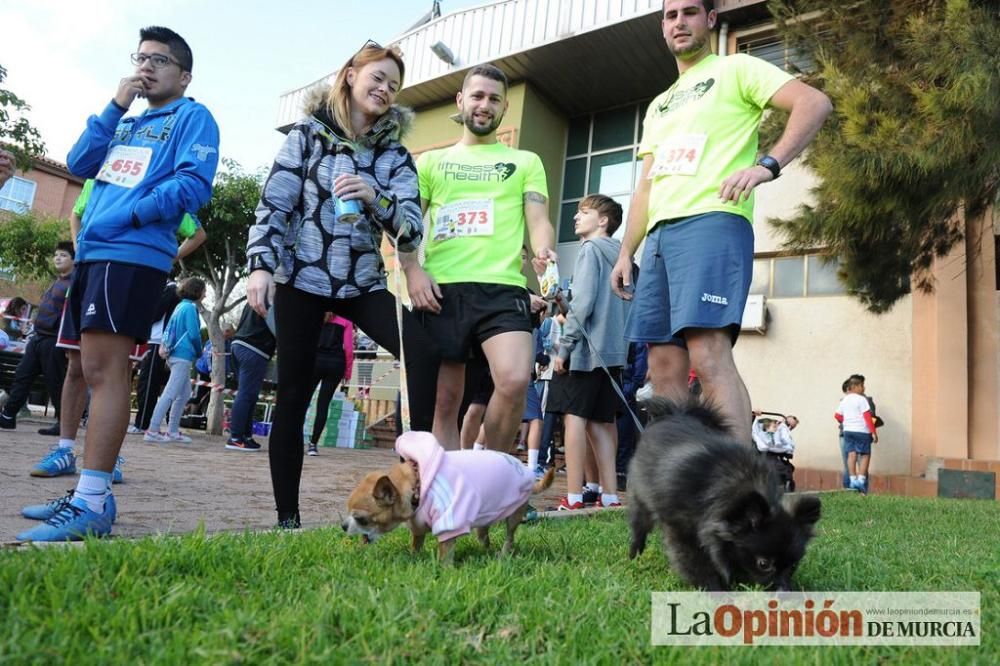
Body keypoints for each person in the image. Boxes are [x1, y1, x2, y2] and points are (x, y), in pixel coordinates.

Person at [17, 26, 219, 542]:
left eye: (161, 60)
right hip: (96, 257)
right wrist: (114, 105)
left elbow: (194, 185)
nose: (147, 67)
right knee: (88, 368)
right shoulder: (127, 121)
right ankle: (88, 491)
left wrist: (126, 217)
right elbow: (82, 163)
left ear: (184, 74)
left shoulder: (192, 116)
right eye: (142, 58)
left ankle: (92, 500)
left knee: (106, 374)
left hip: (129, 256)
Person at [610, 0, 832, 444]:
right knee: (663, 367)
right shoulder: (659, 105)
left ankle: (742, 491)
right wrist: (625, 252)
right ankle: (681, 486)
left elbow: (813, 102)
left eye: (690, 12)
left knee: (708, 355)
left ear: (710, 19)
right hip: (657, 239)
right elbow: (647, 186)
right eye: (671, 15)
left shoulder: (736, 69)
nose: (679, 22)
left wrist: (768, 164)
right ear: (663, 26)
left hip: (712, 222)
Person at [245, 41, 439, 529]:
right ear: (350, 76)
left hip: (361, 280)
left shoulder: (395, 154)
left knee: (421, 349)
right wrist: (261, 265)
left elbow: (412, 228)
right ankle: (287, 518)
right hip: (302, 275)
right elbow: (276, 200)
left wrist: (375, 197)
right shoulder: (307, 135)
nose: (385, 89)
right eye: (377, 77)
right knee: (292, 390)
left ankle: (412, 479)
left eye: (394, 85)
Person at [404, 63, 557, 455]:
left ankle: (494, 478)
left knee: (514, 380)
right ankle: (452, 495)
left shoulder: (525, 162)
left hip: (503, 289)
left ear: (505, 107)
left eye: (493, 99)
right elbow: (408, 226)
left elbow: (539, 220)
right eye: (477, 96)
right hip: (441, 290)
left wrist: (543, 252)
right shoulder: (431, 163)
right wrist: (413, 272)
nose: (484, 105)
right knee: (445, 402)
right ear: (461, 101)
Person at [549, 195, 630, 510]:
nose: (575, 218)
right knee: (602, 423)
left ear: (603, 220)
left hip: (586, 351)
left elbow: (582, 304)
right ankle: (609, 496)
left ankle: (573, 497)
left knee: (575, 420)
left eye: (583, 212)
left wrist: (563, 347)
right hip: (613, 353)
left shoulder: (590, 250)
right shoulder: (624, 256)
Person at [0, 243, 74, 441]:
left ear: (74, 260)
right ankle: (8, 416)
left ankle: (63, 423)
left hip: (54, 341)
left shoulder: (74, 284)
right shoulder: (55, 282)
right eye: (56, 255)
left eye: (64, 255)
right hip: (37, 338)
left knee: (55, 382)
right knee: (22, 375)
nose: (58, 258)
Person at [144, 277, 205, 442]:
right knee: (171, 393)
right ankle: (153, 429)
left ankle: (171, 431)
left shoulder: (180, 306)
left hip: (172, 353)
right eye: (204, 291)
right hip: (183, 355)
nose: (204, 295)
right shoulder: (191, 309)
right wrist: (200, 352)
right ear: (198, 292)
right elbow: (194, 334)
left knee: (183, 394)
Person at [226, 303, 276, 452]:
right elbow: (277, 328)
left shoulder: (255, 295)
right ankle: (235, 437)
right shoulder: (273, 298)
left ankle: (245, 436)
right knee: (246, 394)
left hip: (240, 344)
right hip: (255, 349)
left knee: (250, 394)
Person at [306, 314, 354, 455]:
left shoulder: (316, 315)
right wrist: (348, 372)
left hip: (315, 361)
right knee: (323, 404)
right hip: (336, 363)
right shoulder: (346, 320)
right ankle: (313, 445)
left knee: (303, 401)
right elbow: (349, 349)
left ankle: (293, 439)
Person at [836, 376, 878, 493]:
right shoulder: (858, 400)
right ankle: (857, 484)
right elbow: (868, 417)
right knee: (863, 457)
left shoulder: (853, 400)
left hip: (847, 432)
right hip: (860, 432)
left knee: (851, 458)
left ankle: (855, 484)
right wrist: (873, 432)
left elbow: (837, 415)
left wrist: (847, 422)